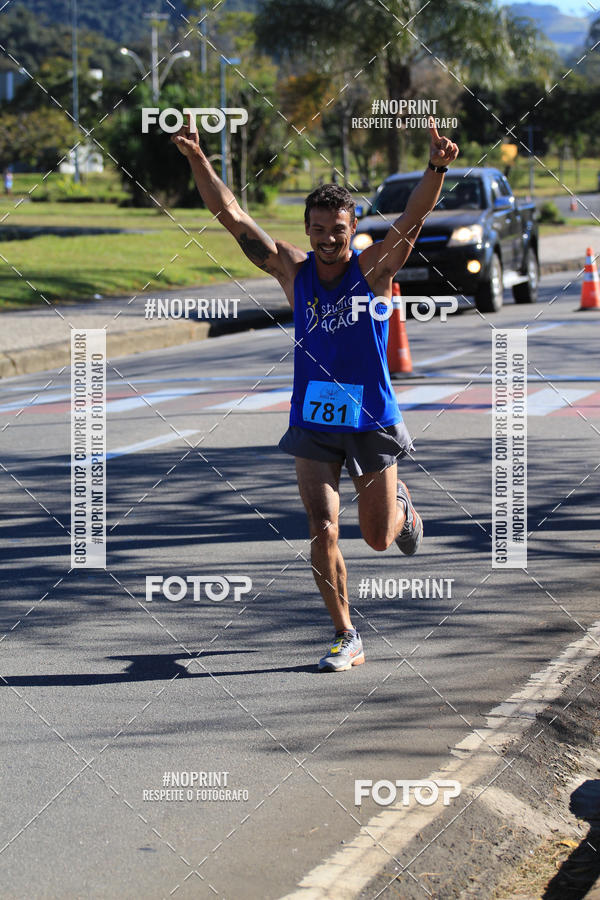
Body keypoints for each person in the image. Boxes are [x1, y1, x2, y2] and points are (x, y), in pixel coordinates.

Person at [172, 117, 459, 672]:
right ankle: (346, 634)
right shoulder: (292, 270)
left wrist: (436, 167)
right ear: (307, 230)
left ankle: (400, 508)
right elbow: (231, 216)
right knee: (322, 527)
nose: (329, 240)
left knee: (377, 539)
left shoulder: (373, 270)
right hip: (313, 420)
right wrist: (195, 158)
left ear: (353, 231)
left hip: (371, 418)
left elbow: (412, 219)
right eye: (320, 229)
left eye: (339, 230)